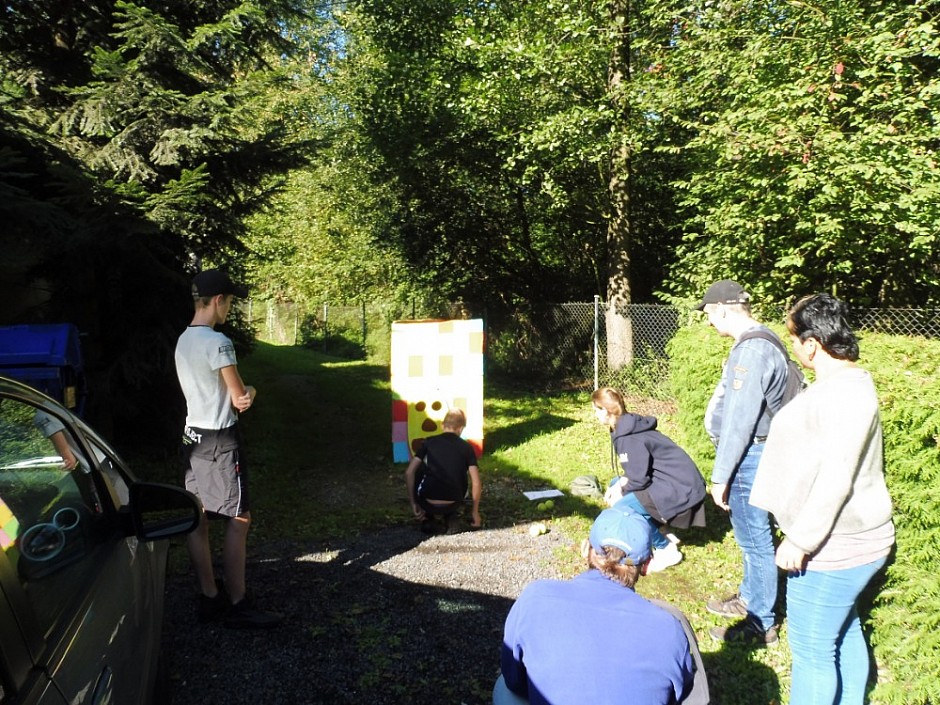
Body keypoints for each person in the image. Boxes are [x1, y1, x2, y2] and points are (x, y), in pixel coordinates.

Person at [749, 293, 894, 704]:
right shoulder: (847, 385)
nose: (793, 347)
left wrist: (801, 540)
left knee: (813, 652)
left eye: (793, 339)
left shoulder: (844, 395)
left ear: (812, 344)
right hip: (852, 541)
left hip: (837, 546)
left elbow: (836, 477)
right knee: (842, 631)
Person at [494, 507, 709, 705]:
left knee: (504, 690)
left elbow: (515, 680)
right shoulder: (669, 627)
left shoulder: (535, 598)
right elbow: (683, 696)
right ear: (646, 565)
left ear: (585, 548)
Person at [175, 268, 281, 629]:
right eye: (230, 302)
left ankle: (209, 595)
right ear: (217, 301)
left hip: (191, 437)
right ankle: (238, 603)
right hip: (221, 440)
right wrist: (252, 390)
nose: (230, 309)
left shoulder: (183, 340)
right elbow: (240, 400)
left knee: (199, 518)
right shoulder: (218, 343)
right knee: (239, 519)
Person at [696, 279, 789, 646]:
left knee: (756, 540)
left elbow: (740, 419)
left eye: (708, 314)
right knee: (751, 536)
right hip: (754, 450)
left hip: (751, 452)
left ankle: (761, 622)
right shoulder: (761, 341)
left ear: (721, 309)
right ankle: (749, 599)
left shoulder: (751, 351)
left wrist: (721, 476)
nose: (707, 322)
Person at [592, 387, 706, 572]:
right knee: (615, 482)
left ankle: (667, 550)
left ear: (606, 411)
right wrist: (620, 485)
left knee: (624, 508)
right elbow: (638, 471)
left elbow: (638, 481)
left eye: (596, 410)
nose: (595, 415)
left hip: (681, 489)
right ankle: (661, 529)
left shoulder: (630, 437)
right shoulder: (625, 426)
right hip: (670, 482)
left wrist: (621, 495)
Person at [404, 408, 482, 534]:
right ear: (461, 428)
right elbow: (476, 482)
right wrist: (475, 512)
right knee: (460, 472)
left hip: (427, 500)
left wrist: (413, 503)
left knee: (419, 468)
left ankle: (428, 518)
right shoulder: (466, 447)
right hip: (454, 500)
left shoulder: (428, 442)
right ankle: (451, 516)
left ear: (442, 425)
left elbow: (409, 472)